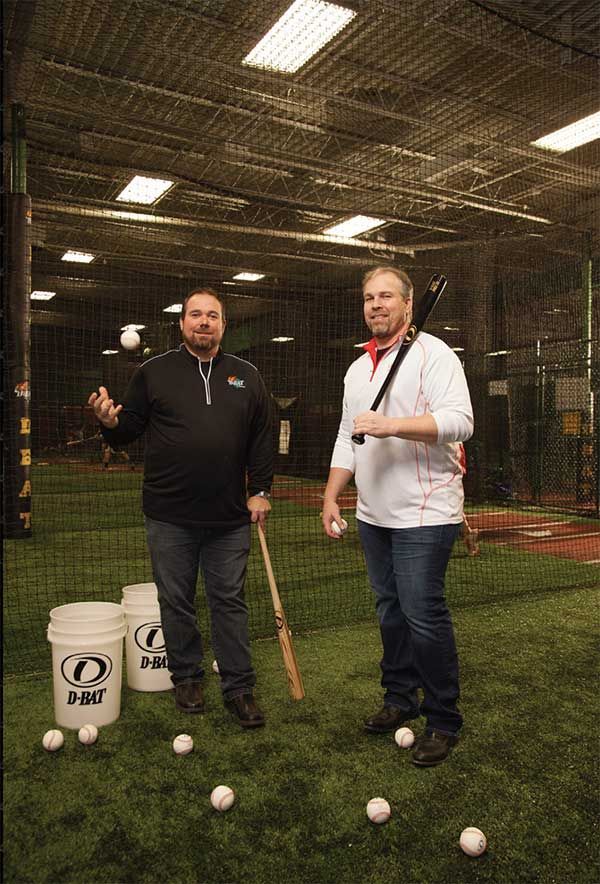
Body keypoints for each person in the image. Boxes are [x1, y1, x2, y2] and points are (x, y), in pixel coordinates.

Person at [88, 288, 273, 729]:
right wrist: (110, 424)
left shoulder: (246, 375)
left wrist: (261, 489)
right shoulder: (154, 372)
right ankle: (187, 677)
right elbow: (127, 428)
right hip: (168, 515)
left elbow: (262, 436)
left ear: (223, 324)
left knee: (229, 601)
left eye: (212, 315)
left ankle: (238, 686)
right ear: (183, 323)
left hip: (229, 517)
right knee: (175, 601)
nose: (204, 322)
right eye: (196, 315)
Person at [322, 266, 474, 766]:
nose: (376, 305)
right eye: (369, 297)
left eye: (386, 296)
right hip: (374, 514)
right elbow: (349, 437)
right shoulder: (357, 369)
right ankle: (399, 698)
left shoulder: (434, 355)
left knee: (422, 615)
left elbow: (460, 422)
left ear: (409, 305)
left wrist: (391, 425)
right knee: (390, 611)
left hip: (425, 513)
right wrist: (331, 496)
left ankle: (444, 719)